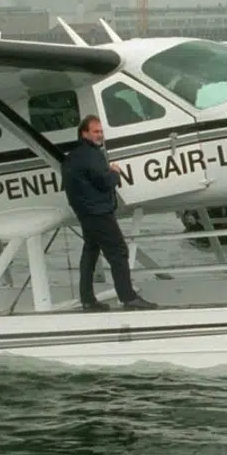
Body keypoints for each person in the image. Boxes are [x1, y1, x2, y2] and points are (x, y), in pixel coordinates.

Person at [62, 115, 158, 311]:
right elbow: (105, 182)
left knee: (90, 252)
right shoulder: (92, 155)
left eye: (101, 131)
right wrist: (114, 172)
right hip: (98, 212)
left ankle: (87, 299)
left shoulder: (73, 156)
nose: (100, 135)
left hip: (85, 212)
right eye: (96, 132)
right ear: (84, 133)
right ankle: (128, 297)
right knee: (119, 251)